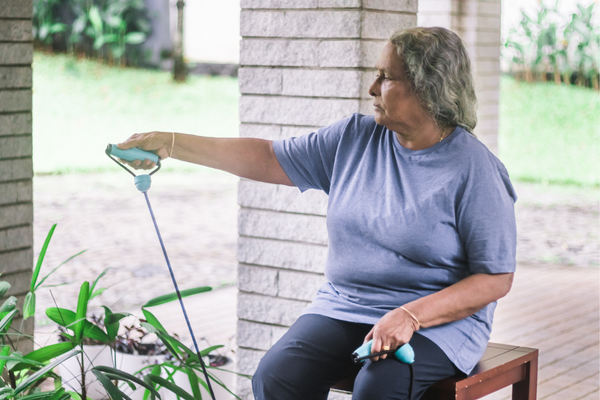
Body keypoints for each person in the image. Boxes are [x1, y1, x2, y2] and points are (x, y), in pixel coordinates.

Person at [118, 26, 516, 400]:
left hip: (437, 322)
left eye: (387, 77)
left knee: (378, 388)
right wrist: (171, 143)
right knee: (277, 376)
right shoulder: (355, 138)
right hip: (346, 305)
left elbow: (494, 278)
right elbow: (267, 156)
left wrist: (411, 315)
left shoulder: (475, 170)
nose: (372, 88)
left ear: (428, 89)